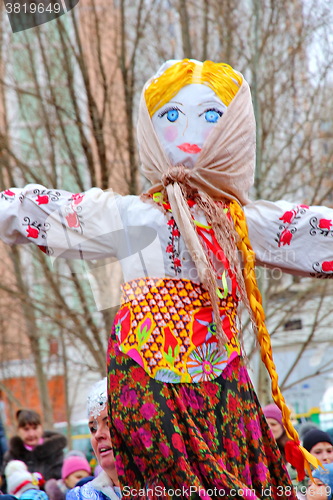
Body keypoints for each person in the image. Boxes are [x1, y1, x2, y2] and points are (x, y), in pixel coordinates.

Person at [1, 58, 332, 497]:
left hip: (219, 386)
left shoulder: (238, 221)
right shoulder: (128, 215)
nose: (192, 134)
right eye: (171, 117)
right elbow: (43, 210)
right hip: (146, 385)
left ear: (234, 130)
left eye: (212, 117)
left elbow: (311, 231)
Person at [66, 378, 121, 500]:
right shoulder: (80, 497)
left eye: (108, 424)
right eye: (93, 428)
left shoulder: (166, 489)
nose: (98, 435)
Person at [2, 409, 67, 486]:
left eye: (35, 428)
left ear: (41, 428)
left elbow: (58, 481)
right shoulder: (11, 456)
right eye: (26, 429)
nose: (31, 434)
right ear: (18, 431)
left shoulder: (56, 452)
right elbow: (6, 483)